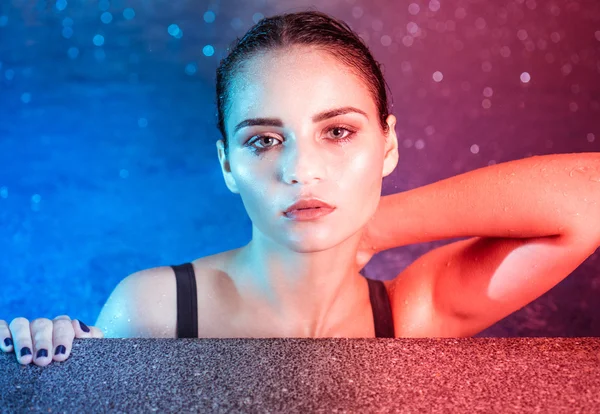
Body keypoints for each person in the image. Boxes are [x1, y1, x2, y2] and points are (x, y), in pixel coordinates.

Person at [2, 10, 599, 367]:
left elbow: (589, 196)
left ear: (387, 145)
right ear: (227, 165)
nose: (300, 171)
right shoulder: (154, 309)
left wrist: (375, 226)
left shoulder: (411, 316)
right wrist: (51, 372)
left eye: (337, 131)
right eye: (263, 140)